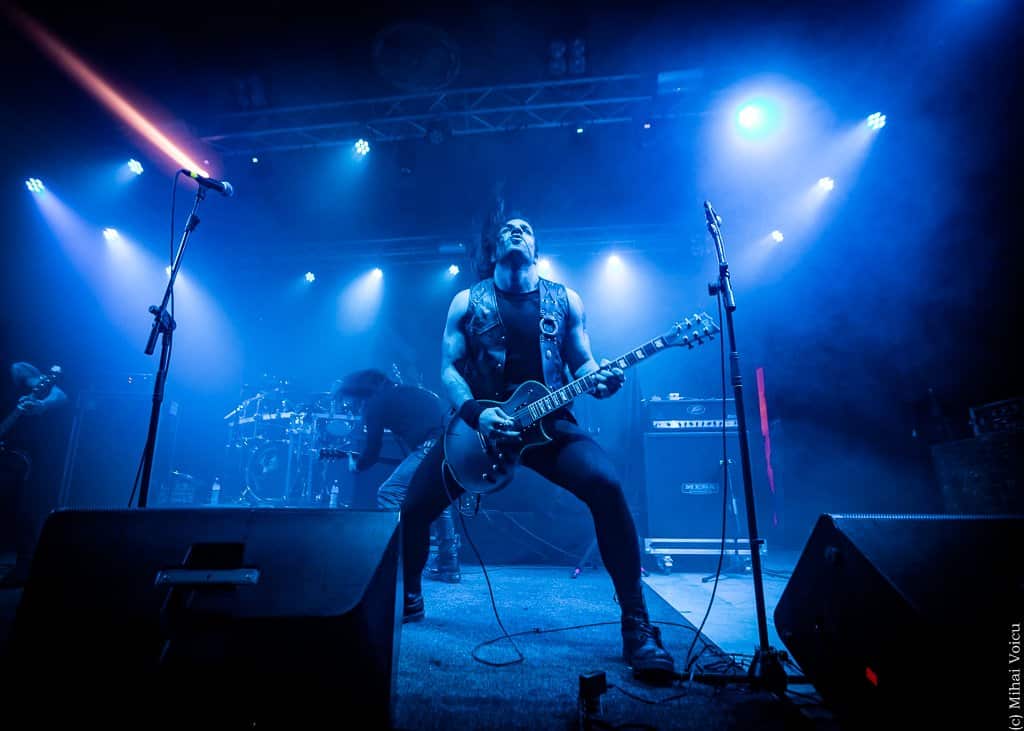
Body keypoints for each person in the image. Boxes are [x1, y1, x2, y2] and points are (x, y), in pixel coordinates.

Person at [397, 208, 676, 681]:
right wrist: (477, 414)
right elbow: (449, 368)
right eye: (507, 229)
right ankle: (408, 597)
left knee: (607, 487)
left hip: (549, 425)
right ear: (493, 249)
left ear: (535, 249)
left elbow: (583, 362)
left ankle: (638, 624)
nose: (515, 232)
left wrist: (601, 379)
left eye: (524, 230)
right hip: (480, 429)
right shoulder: (467, 300)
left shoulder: (566, 299)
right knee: (414, 508)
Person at [336, 368, 461, 583]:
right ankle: (448, 565)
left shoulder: (375, 404)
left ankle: (396, 561)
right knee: (439, 502)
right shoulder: (412, 391)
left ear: (358, 392)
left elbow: (372, 451)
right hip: (456, 444)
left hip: (430, 447)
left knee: (389, 492)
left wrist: (357, 465)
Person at [1, 361, 67, 587]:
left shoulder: (20, 371)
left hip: (14, 454)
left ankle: (25, 565)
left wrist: (43, 404)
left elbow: (59, 394)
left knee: (20, 506)